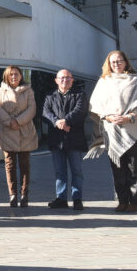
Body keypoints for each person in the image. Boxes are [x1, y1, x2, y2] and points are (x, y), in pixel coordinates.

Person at [88, 50, 137, 213]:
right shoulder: (104, 81)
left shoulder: (136, 79)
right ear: (108, 64)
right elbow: (95, 105)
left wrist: (130, 117)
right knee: (117, 169)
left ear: (125, 62)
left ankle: (136, 202)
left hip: (133, 130)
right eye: (113, 62)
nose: (116, 64)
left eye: (119, 61)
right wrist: (108, 117)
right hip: (113, 132)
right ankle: (122, 200)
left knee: (135, 168)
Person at [0, 66, 38, 208]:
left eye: (16, 74)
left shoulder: (28, 90)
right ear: (7, 76)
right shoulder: (1, 91)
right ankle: (13, 195)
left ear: (20, 76)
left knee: (25, 165)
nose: (14, 77)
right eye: (11, 74)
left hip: (25, 132)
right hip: (7, 132)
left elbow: (32, 109)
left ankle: (24, 194)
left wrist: (18, 121)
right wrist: (9, 121)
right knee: (10, 165)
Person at [42, 69, 88, 210]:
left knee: (77, 171)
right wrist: (58, 122)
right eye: (62, 78)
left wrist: (66, 121)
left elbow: (80, 111)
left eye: (68, 78)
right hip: (57, 140)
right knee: (60, 172)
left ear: (72, 80)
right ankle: (61, 198)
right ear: (56, 80)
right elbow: (46, 113)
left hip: (75, 139)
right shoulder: (50, 95)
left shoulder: (80, 94)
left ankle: (77, 199)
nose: (65, 80)